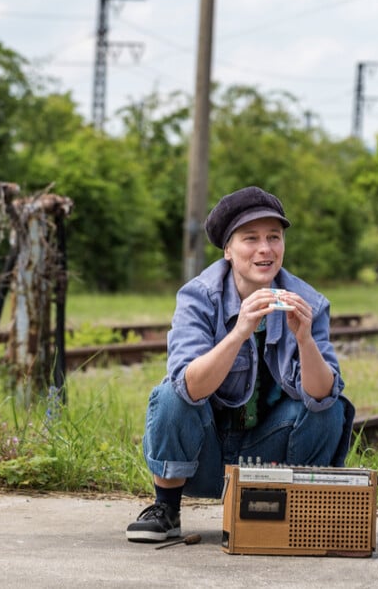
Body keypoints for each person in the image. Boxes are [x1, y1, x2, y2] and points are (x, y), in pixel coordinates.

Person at [126, 186, 354, 542]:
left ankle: (297, 510)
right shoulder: (198, 296)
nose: (265, 249)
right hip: (206, 456)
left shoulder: (308, 301)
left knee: (332, 406)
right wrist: (239, 333)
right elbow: (189, 386)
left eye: (274, 237)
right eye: (251, 238)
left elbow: (322, 396)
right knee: (169, 394)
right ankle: (167, 509)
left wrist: (305, 339)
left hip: (269, 457)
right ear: (228, 250)